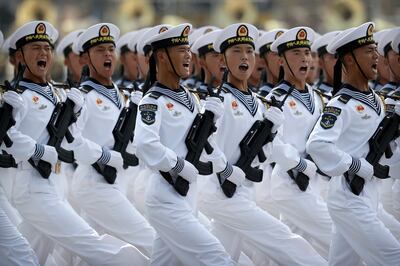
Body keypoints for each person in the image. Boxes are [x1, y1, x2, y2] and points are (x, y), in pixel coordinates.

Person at [2, 20, 148, 265]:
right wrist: (42, 150)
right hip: (31, 185)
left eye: (47, 48)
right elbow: (7, 139)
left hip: (57, 185)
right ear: (19, 56)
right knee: (89, 243)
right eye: (35, 48)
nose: (43, 54)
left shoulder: (61, 94)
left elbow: (70, 140)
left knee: (44, 252)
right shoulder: (17, 97)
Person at [198, 22, 327, 265]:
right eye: (237, 51)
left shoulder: (259, 104)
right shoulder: (217, 101)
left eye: (249, 51)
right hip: (218, 189)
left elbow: (267, 150)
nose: (245, 57)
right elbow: (202, 145)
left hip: (244, 190)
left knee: (224, 254)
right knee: (282, 239)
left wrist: (271, 133)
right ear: (223, 61)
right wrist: (225, 168)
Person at [135, 23, 234, 266]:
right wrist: (178, 165)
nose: (188, 55)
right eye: (181, 50)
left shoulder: (191, 98)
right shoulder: (152, 101)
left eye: (188, 49)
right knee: (216, 256)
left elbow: (206, 144)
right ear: (161, 57)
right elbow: (145, 144)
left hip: (188, 196)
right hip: (165, 198)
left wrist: (224, 166)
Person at [307, 22, 400, 265]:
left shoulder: (377, 101)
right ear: (349, 60)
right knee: (393, 255)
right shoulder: (341, 104)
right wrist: (354, 165)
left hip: (369, 193)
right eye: (368, 51)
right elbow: (317, 145)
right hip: (348, 197)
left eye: (376, 50)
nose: (376, 56)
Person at [69, 22, 155, 257]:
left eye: (110, 49)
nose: (108, 54)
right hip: (93, 180)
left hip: (118, 180)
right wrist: (107, 155)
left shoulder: (121, 95)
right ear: (85, 58)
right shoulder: (83, 97)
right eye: (100, 50)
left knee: (87, 253)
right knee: (151, 241)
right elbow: (71, 141)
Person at [267, 26, 332, 259]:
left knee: (294, 247)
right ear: (281, 60)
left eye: (307, 52)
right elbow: (270, 144)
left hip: (314, 182)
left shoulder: (318, 98)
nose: (305, 58)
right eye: (296, 54)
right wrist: (299, 164)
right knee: (338, 236)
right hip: (289, 182)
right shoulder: (275, 99)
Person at [311, 31, 341, 102]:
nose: (340, 61)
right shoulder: (315, 97)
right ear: (320, 62)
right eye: (335, 56)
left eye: (342, 56)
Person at [255, 29, 286, 97]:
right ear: (263, 61)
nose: (282, 59)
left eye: (284, 54)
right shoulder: (262, 99)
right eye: (277, 54)